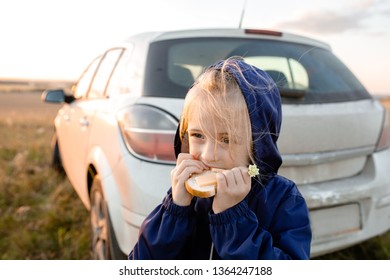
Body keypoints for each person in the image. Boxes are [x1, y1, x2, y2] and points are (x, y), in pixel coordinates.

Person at [128, 57, 312, 260]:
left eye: (226, 139)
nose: (208, 155)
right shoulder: (184, 197)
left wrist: (233, 218)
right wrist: (175, 210)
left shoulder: (283, 199)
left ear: (257, 146)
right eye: (198, 135)